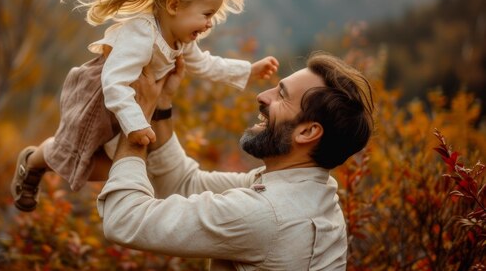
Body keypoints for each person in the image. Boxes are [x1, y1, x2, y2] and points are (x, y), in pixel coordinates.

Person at [10, 0, 279, 212]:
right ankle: (33, 160)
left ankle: (47, 161)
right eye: (206, 14)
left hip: (131, 105)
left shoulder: (182, 38)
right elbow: (113, 82)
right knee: (72, 156)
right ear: (174, 6)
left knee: (116, 167)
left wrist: (248, 70)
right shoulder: (141, 34)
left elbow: (205, 64)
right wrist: (136, 123)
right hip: (100, 99)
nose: (209, 23)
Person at [97, 51, 375, 270]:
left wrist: (135, 116)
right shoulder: (312, 192)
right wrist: (161, 104)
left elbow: (124, 220)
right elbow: (184, 183)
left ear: (308, 132)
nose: (261, 96)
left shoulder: (265, 213)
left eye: (281, 95)